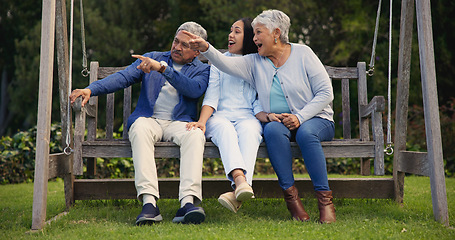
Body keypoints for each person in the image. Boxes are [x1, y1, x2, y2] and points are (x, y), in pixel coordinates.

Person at [184, 10, 336, 224]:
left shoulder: (304, 53)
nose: (254, 38)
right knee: (272, 131)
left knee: (305, 134)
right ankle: (292, 201)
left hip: (316, 119)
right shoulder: (255, 61)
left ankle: (325, 203)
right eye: (253, 34)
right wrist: (206, 48)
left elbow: (326, 93)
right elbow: (226, 64)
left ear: (276, 33)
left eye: (258, 33)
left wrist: (300, 117)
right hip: (280, 121)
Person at [69, 22, 210, 225]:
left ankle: (188, 202)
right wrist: (91, 89)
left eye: (185, 45)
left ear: (197, 51)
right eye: (176, 41)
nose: (177, 47)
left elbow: (194, 90)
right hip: (149, 120)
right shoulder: (153, 57)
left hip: (179, 123)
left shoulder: (202, 70)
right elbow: (123, 77)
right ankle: (149, 203)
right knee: (140, 128)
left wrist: (163, 69)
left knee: (196, 135)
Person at [186, 18, 263, 213]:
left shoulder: (257, 63)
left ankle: (237, 191)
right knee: (225, 130)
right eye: (230, 31)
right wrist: (202, 122)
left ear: (248, 38)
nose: (230, 35)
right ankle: (240, 180)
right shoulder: (218, 62)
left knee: (250, 131)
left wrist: (263, 115)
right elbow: (211, 97)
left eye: (237, 31)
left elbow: (259, 98)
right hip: (220, 117)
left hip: (248, 116)